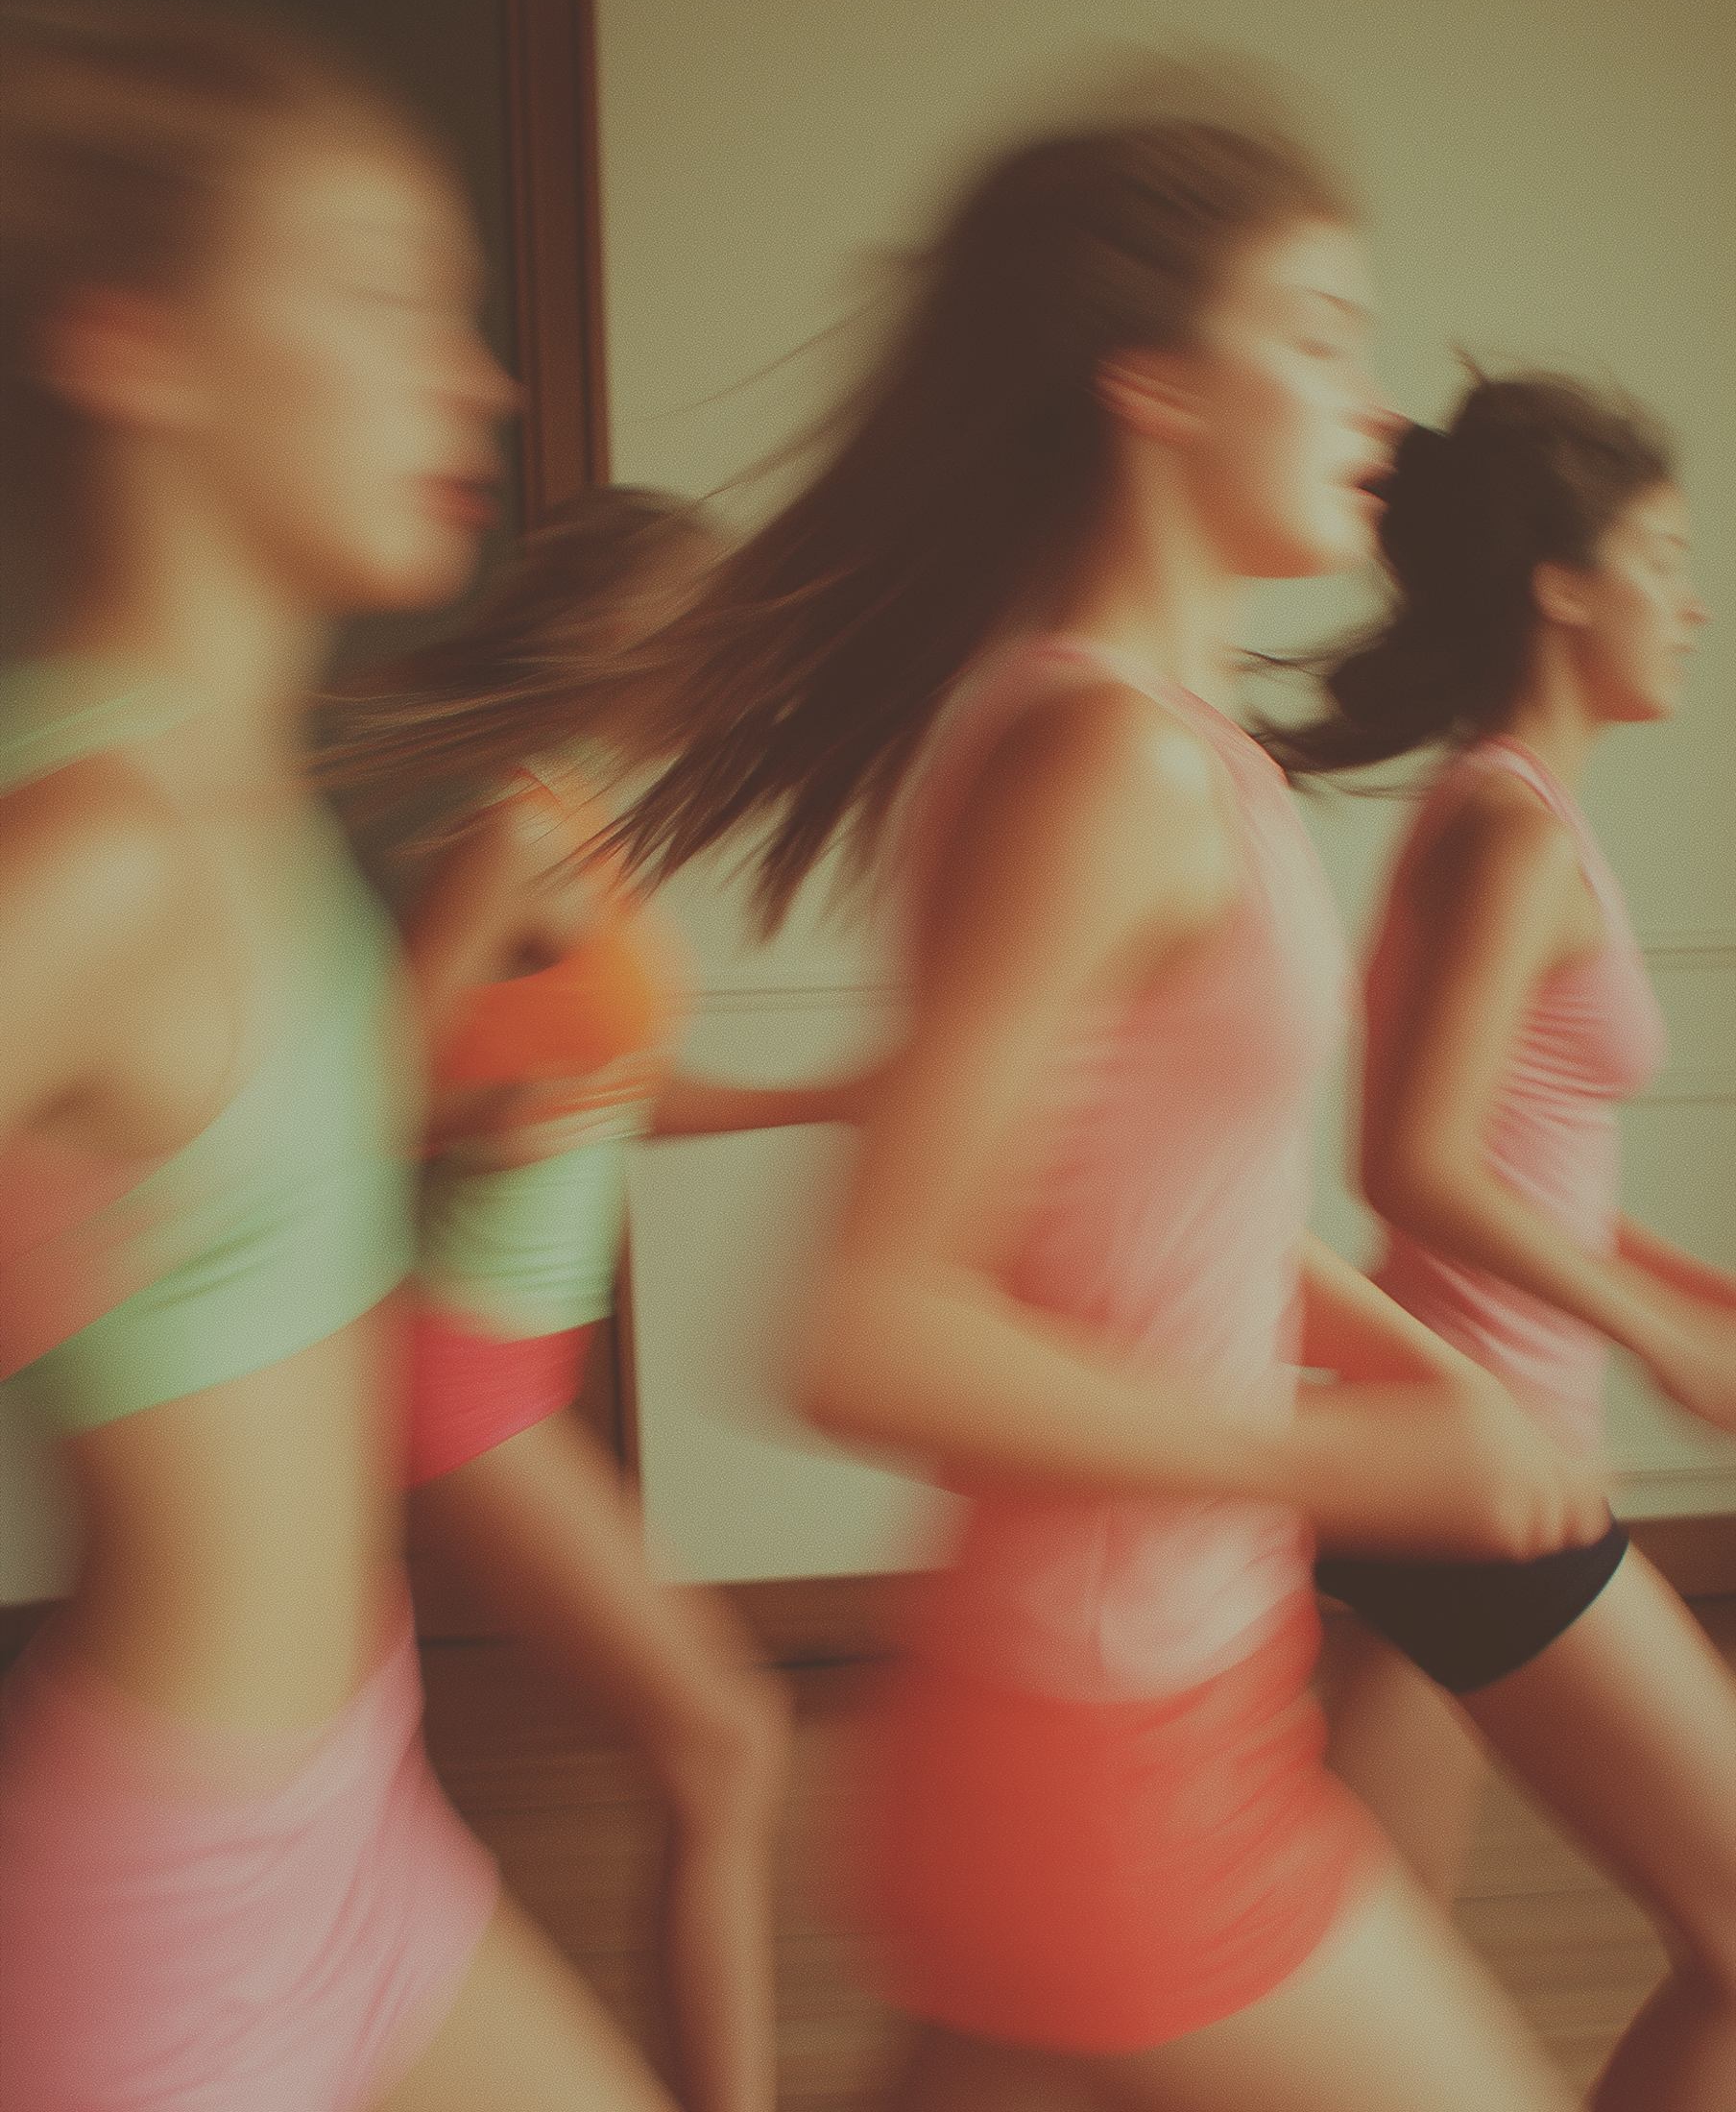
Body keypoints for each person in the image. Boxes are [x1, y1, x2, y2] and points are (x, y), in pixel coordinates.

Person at [603, 102, 1610, 2109]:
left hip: (1121, 1693)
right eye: (1318, 334)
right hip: (1105, 1736)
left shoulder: (1182, 744)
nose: (1378, 407)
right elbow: (867, 1327)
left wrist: (1433, 1386)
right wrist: (1343, 1463)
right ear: (1151, 381)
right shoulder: (1103, 763)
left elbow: (1181, 1212)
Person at [0, 0, 678, 2111]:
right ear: (139, 345)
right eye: (385, 298)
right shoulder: (100, 849)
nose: (480, 378)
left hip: (355, 1815)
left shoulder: (240, 798)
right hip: (170, 1920)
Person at [329, 487, 881, 2112]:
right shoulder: (514, 829)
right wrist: (480, 1108)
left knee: (366, 1761)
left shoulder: (583, 819)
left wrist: (830, 1096)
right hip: (449, 1364)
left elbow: (618, 1085)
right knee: (724, 1738)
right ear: (624, 633)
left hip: (510, 1365)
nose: (743, 673)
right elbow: (362, 1096)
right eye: (721, 638)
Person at [1274, 376, 1736, 2112]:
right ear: (1560, 582)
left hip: (1451, 1454)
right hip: (1484, 1463)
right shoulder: (1514, 824)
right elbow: (1412, 1162)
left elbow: (1519, 1165)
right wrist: (1661, 1337)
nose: (1695, 603)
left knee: (1356, 1930)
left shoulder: (1513, 806)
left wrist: (1687, 1289)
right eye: (1664, 559)